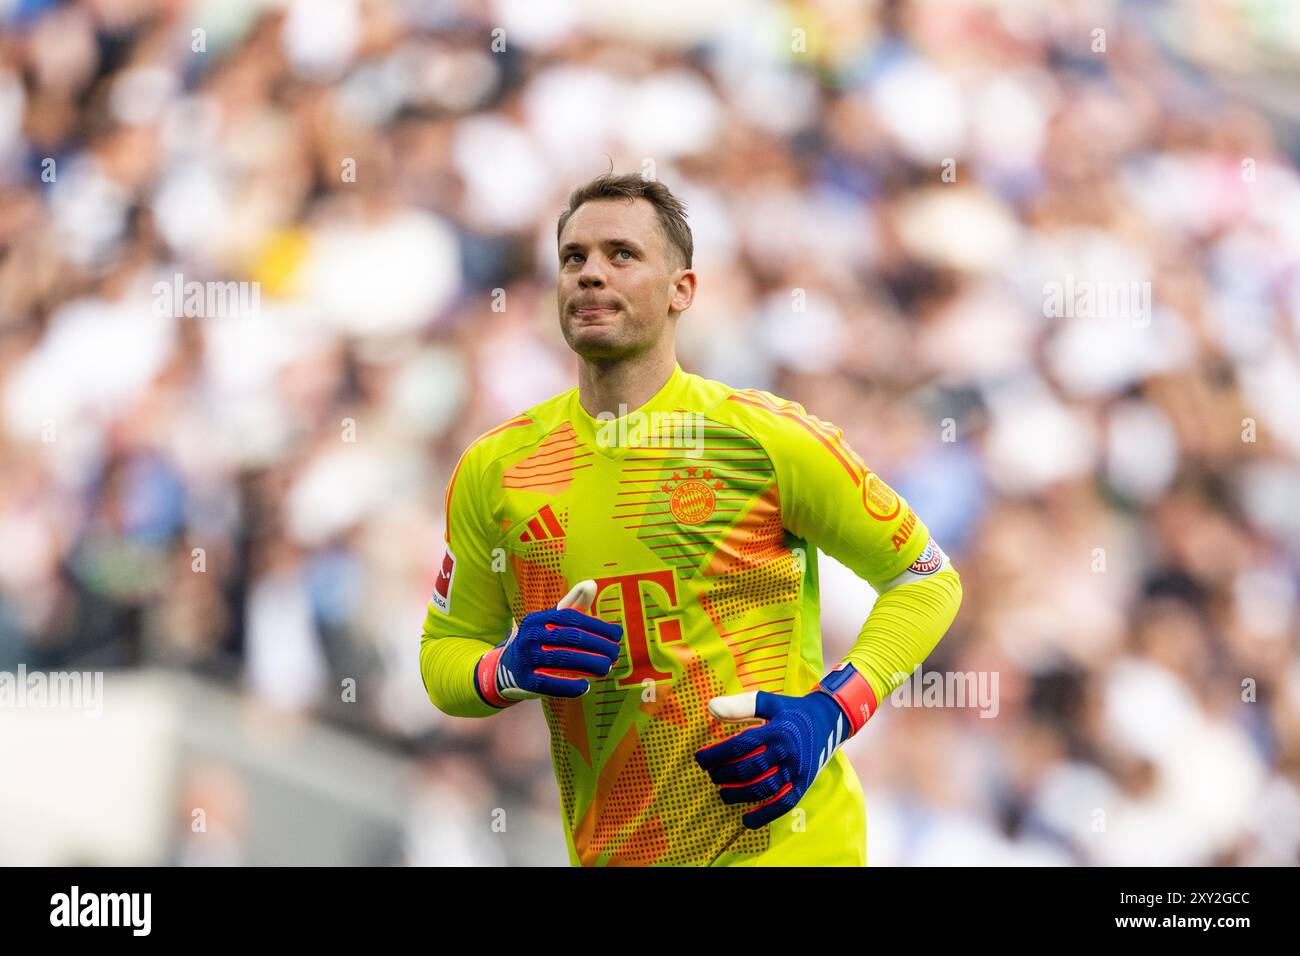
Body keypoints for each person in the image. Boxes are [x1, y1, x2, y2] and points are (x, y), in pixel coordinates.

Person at [419, 172, 963, 866]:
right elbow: (443, 657)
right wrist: (510, 668)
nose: (590, 274)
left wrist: (829, 712)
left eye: (621, 255)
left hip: (790, 845)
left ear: (683, 290)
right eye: (573, 258)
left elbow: (927, 579)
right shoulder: (497, 470)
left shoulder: (767, 440)